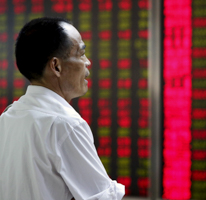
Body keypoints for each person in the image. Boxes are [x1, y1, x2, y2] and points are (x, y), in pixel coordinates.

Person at [0, 17, 125, 200]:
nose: (87, 62)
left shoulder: (7, 119)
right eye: (81, 53)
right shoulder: (65, 125)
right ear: (56, 66)